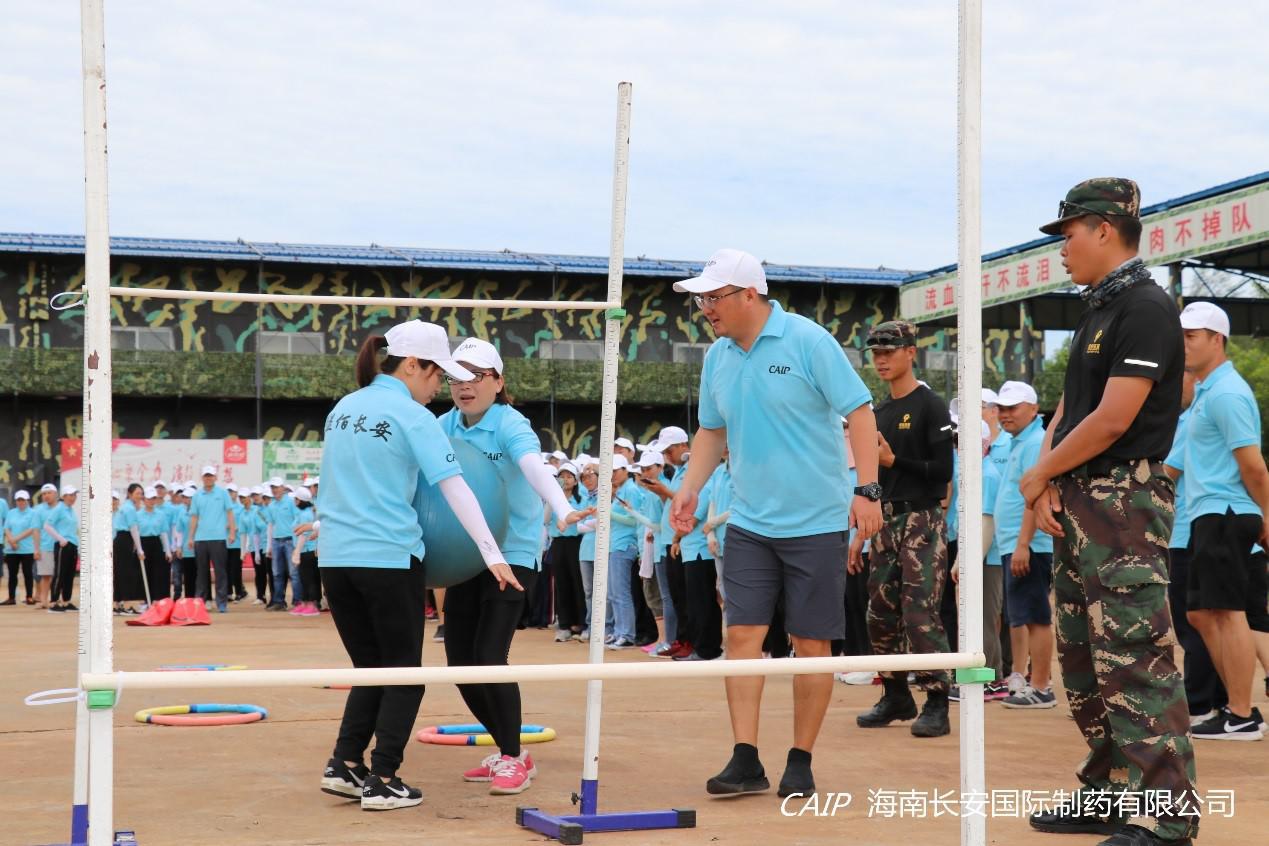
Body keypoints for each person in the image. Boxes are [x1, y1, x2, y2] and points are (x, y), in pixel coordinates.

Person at [668, 247, 882, 798]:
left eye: (713, 297)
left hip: (816, 521)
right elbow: (712, 431)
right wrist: (689, 488)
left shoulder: (808, 341)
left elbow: (860, 412)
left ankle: (800, 758)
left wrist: (866, 490)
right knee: (741, 635)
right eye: (700, 300)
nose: (705, 309)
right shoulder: (717, 358)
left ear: (749, 294)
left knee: (810, 643)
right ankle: (745, 757)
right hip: (749, 522)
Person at [1022, 178, 1197, 845]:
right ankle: (1110, 791)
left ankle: (1167, 816)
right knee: (1083, 661)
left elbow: (1114, 417)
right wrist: (1046, 480)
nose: (1062, 248)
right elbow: (1069, 412)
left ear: (1103, 228)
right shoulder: (1097, 309)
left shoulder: (1146, 307)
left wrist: (1041, 472)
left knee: (1133, 658)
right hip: (1079, 497)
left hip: (1123, 502)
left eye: (1067, 234)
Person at [317, 320, 518, 812]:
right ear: (412, 365)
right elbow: (455, 488)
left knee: (371, 670)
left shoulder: (344, 408)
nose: (439, 387)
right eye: (437, 375)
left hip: (335, 559)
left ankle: (344, 765)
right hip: (388, 559)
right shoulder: (412, 416)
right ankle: (384, 778)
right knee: (405, 674)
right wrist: (492, 553)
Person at [438, 337, 587, 795]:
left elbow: (534, 466)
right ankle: (513, 751)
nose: (464, 385)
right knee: (458, 663)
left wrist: (562, 506)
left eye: (475, 376)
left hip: (514, 556)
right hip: (466, 555)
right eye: (454, 377)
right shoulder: (444, 425)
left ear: (498, 382)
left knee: (488, 656)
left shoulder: (510, 423)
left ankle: (510, 756)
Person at [852, 320, 955, 738]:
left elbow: (943, 472)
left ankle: (936, 700)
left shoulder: (930, 405)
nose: (881, 359)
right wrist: (860, 532)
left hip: (922, 519)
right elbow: (873, 478)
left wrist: (896, 462)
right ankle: (895, 694)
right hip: (885, 521)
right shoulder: (878, 412)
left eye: (889, 351)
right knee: (879, 612)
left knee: (920, 612)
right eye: (876, 352)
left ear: (911, 352)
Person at [1172, 301, 1268, 741]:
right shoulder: (1207, 393)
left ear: (1217, 339)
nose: (1183, 344)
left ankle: (1242, 714)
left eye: (1191, 336)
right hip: (1208, 515)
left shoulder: (1227, 393)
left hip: (1226, 511)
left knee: (1229, 614)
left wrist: (1267, 515)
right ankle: (1236, 708)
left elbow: (1253, 467)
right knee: (1200, 613)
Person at [1163, 371, 1230, 726]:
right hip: (1190, 530)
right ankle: (1216, 700)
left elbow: (1166, 473)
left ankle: (1200, 701)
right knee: (1202, 621)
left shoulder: (1191, 419)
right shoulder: (1187, 418)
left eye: (1181, 377)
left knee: (1194, 622)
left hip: (1188, 532)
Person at [992, 381, 1058, 710]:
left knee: (1036, 617)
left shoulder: (1034, 443)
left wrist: (1023, 544)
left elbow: (1035, 496)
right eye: (1002, 408)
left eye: (1013, 408)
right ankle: (1033, 682)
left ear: (1033, 409)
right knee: (1026, 616)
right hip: (1018, 544)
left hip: (1030, 546)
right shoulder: (1020, 441)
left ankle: (1042, 687)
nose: (1006, 414)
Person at [948, 420, 1005, 700]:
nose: (958, 447)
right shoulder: (974, 473)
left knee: (981, 620)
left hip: (985, 559)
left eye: (963, 440)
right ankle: (988, 678)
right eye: (956, 441)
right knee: (975, 619)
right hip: (976, 556)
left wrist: (966, 562)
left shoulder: (986, 475)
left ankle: (988, 679)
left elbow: (986, 523)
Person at [640, 426, 693, 658]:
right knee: (675, 595)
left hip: (684, 540)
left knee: (680, 596)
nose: (667, 456)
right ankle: (679, 640)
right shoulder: (679, 472)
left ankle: (683, 640)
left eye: (669, 451)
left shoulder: (691, 472)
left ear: (683, 445)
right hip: (672, 540)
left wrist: (664, 492)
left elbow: (690, 503)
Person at [546, 463, 587, 642]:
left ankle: (580, 623)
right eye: (562, 476)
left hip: (576, 543)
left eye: (569, 476)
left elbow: (584, 519)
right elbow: (545, 518)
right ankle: (564, 625)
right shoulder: (554, 499)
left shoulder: (582, 498)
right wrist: (551, 499)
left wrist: (568, 522)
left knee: (577, 582)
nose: (565, 480)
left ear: (576, 480)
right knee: (561, 584)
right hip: (558, 543)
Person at [187, 466, 237, 613]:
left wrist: (232, 532)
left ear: (215, 477)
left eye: (210, 476)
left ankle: (221, 603)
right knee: (201, 573)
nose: (208, 478)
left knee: (220, 572)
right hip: (201, 539)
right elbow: (194, 517)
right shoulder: (197, 495)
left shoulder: (222, 493)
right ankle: (200, 603)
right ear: (202, 478)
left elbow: (229, 513)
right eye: (206, 476)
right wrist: (191, 537)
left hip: (218, 537)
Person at [44, 485, 80, 612]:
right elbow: (47, 526)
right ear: (63, 496)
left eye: (74, 495)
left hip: (72, 544)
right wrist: (60, 539)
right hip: (62, 545)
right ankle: (53, 602)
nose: (73, 498)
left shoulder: (71, 510)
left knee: (69, 575)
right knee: (60, 573)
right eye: (70, 495)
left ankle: (66, 601)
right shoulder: (59, 509)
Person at [112, 484, 146, 615]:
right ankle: (125, 605)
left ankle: (118, 604)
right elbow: (133, 529)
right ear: (130, 494)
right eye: (137, 493)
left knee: (120, 572)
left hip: (121, 540)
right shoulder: (130, 508)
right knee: (126, 572)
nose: (140, 496)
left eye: (141, 493)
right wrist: (140, 549)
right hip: (125, 539)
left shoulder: (125, 507)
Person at [289, 486, 322, 617]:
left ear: (299, 500)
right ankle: (305, 603)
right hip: (304, 550)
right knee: (304, 578)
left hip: (308, 550)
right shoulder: (303, 512)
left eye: (295, 499)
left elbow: (303, 534)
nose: (294, 501)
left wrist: (297, 552)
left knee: (309, 578)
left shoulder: (306, 514)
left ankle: (312, 605)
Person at [3, 490, 39, 606]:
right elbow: (6, 528)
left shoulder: (33, 513)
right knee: (12, 574)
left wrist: (15, 540)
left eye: (23, 500)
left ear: (27, 500)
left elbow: (31, 529)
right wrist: (12, 541)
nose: (20, 502)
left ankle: (29, 597)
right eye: (18, 500)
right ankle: (11, 598)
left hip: (27, 549)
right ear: (16, 501)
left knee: (27, 573)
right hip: (12, 549)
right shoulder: (11, 513)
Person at [137, 486, 172, 604]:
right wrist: (138, 549)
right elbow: (135, 532)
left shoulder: (161, 514)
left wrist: (167, 551)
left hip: (156, 543)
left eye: (153, 498)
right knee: (144, 572)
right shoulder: (138, 515)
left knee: (158, 572)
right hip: (143, 543)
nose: (151, 501)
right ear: (144, 500)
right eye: (149, 499)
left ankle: (158, 600)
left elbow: (163, 533)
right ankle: (145, 600)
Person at [31, 484, 60, 609]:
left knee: (58, 575)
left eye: (49, 493)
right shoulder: (38, 510)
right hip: (45, 546)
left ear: (55, 494)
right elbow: (36, 530)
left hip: (60, 546)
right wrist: (36, 549)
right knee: (45, 575)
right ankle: (44, 600)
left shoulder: (62, 508)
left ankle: (56, 599)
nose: (46, 496)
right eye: (44, 494)